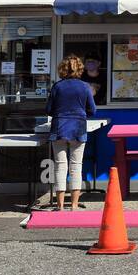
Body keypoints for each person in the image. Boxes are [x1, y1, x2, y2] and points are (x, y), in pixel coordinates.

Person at [46, 54, 98, 210]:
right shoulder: (85, 87)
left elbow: (49, 110)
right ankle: (74, 205)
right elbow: (92, 110)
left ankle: (60, 206)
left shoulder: (57, 87)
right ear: (80, 69)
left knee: (60, 166)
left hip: (59, 128)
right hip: (78, 128)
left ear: (62, 69)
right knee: (76, 166)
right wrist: (81, 115)